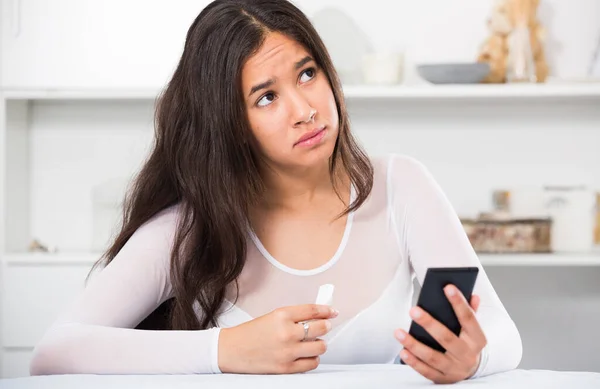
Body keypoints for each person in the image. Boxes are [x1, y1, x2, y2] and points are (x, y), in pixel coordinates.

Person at [29, 0, 522, 383]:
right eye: (266, 97)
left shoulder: (402, 186)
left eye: (308, 73)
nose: (304, 108)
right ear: (229, 123)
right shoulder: (190, 227)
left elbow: (505, 337)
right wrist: (226, 350)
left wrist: (471, 359)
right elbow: (55, 352)